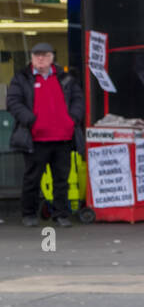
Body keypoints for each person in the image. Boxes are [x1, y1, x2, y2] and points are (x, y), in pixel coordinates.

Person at [7, 42, 85, 227]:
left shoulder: (65, 79)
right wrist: (31, 120)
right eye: (36, 55)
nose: (40, 59)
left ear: (52, 58)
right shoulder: (22, 78)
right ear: (31, 59)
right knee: (32, 178)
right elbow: (13, 101)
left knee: (62, 180)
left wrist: (72, 119)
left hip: (63, 138)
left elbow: (78, 100)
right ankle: (29, 214)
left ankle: (61, 215)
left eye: (44, 55)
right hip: (35, 139)